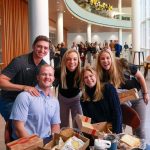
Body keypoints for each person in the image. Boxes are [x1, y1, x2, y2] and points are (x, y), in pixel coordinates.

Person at [0, 35, 50, 121]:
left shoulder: (44, 65)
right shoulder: (19, 61)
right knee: (16, 126)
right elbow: (1, 81)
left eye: (45, 48)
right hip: (9, 100)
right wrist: (24, 87)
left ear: (48, 50)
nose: (42, 50)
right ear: (33, 46)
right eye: (39, 46)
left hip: (27, 100)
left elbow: (45, 86)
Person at [10, 64, 60, 139]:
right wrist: (35, 145)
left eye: (50, 75)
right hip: (25, 141)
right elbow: (18, 128)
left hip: (45, 140)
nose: (47, 77)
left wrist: (54, 143)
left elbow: (55, 125)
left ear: (53, 79)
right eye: (44, 74)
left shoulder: (55, 101)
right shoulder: (24, 97)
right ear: (38, 77)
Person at [80, 65, 122, 134]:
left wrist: (116, 135)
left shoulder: (108, 89)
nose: (89, 79)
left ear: (96, 76)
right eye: (85, 77)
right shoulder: (83, 98)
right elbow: (89, 120)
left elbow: (117, 113)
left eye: (91, 76)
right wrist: (95, 134)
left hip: (112, 128)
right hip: (97, 131)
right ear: (83, 81)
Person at [116, 58, 149, 139]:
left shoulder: (128, 66)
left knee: (139, 128)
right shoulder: (106, 72)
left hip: (138, 97)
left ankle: (142, 146)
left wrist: (145, 93)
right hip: (122, 99)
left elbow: (141, 77)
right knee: (120, 126)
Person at [55, 49, 83, 128]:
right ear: (64, 61)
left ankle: (78, 139)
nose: (72, 62)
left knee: (79, 123)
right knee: (63, 124)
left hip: (76, 99)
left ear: (78, 60)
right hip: (62, 99)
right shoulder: (59, 71)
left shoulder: (81, 71)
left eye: (74, 59)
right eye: (69, 59)